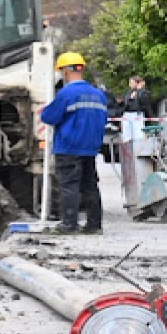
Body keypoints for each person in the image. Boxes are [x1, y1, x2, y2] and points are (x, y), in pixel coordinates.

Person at [40, 52, 109, 234]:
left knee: (69, 186)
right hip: (90, 148)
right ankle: (94, 225)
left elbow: (49, 116)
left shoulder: (66, 94)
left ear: (65, 72)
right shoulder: (98, 95)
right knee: (90, 186)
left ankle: (69, 224)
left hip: (69, 147)